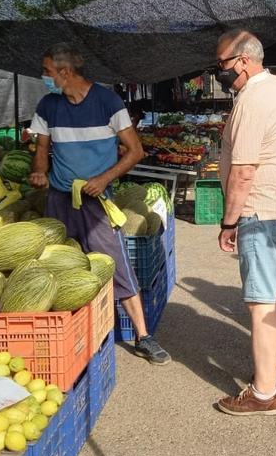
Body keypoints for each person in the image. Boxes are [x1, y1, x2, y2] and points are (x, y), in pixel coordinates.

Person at [27, 44, 170, 365]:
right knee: (57, 268)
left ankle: (143, 335)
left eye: (48, 72)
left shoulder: (108, 101)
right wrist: (39, 171)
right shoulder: (48, 105)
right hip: (59, 201)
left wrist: (105, 179)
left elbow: (135, 151)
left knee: (117, 265)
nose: (45, 78)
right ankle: (66, 339)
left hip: (96, 202)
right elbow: (41, 147)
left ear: (65, 73)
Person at [213, 30, 276, 416]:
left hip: (260, 211)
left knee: (261, 302)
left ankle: (264, 394)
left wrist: (229, 221)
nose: (220, 73)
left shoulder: (252, 98)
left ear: (244, 61)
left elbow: (244, 170)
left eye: (222, 66)